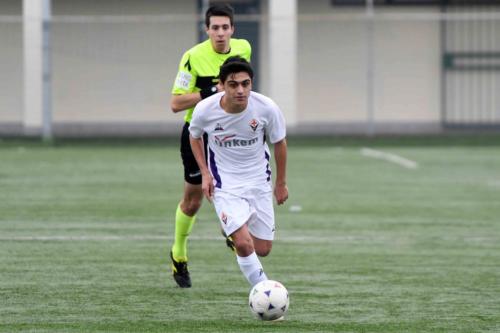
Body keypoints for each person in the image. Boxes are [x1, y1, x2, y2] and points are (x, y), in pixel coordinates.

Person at [169, 3, 251, 288]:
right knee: (193, 201)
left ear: (232, 30)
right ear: (207, 30)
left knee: (234, 189)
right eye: (214, 28)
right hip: (197, 135)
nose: (220, 33)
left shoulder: (244, 49)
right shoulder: (192, 57)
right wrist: (208, 91)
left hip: (228, 135)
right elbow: (175, 104)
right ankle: (178, 253)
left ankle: (231, 231)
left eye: (225, 27)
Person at [189, 56, 288, 288]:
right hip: (224, 184)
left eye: (245, 84)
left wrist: (281, 183)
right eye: (233, 85)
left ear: (252, 83)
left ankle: (230, 232)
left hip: (258, 182)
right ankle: (263, 291)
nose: (241, 90)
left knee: (263, 249)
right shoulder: (205, 110)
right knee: (244, 245)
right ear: (221, 85)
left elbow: (280, 143)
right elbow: (194, 137)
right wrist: (205, 173)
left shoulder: (267, 108)